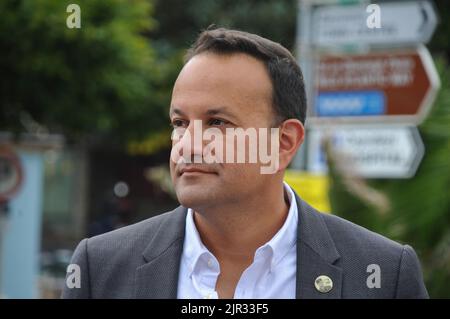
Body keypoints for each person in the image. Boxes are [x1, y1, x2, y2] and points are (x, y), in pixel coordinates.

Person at [62, 27, 428, 299]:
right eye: (180, 123)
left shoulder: (381, 274)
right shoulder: (101, 268)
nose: (188, 144)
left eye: (218, 123)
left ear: (284, 143)